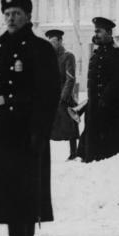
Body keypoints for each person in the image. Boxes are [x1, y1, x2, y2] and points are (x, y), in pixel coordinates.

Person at [0, 0, 60, 236]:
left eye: (16, 13)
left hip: (27, 133)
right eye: (7, 14)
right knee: (7, 197)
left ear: (28, 16)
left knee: (26, 198)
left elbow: (48, 96)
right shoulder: (0, 48)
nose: (11, 18)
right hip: (3, 133)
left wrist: (40, 132)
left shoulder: (40, 49)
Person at [78, 17, 119, 162]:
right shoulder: (97, 53)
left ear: (109, 32)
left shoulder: (117, 52)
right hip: (95, 107)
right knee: (93, 148)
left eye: (99, 31)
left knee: (113, 150)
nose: (96, 34)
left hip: (112, 107)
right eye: (95, 31)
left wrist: (104, 99)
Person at [45, 29, 80, 161]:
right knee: (47, 126)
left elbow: (70, 79)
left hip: (64, 97)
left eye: (54, 41)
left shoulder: (68, 56)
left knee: (70, 125)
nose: (51, 44)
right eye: (50, 42)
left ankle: (73, 153)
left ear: (60, 41)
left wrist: (63, 97)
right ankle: (45, 155)